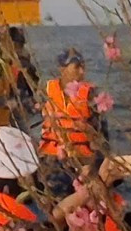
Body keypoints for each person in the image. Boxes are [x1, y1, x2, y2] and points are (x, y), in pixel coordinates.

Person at [38, 47, 107, 186]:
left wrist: (95, 166)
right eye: (76, 67)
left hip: (81, 160)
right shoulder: (46, 91)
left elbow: (102, 135)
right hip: (51, 159)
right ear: (62, 70)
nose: (82, 72)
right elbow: (22, 106)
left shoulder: (91, 94)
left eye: (83, 67)